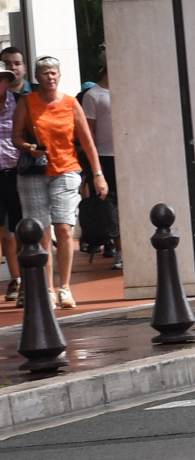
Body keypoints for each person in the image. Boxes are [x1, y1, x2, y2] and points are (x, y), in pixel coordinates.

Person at [11, 56, 108, 309]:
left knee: (64, 228)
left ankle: (65, 287)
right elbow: (16, 137)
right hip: (34, 173)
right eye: (44, 73)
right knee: (42, 233)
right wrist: (29, 147)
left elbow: (87, 142)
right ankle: (48, 288)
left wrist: (98, 174)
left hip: (66, 169)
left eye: (53, 72)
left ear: (59, 75)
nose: (49, 77)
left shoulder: (71, 103)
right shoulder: (26, 102)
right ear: (37, 77)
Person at [80, 54, 121, 269]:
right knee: (111, 207)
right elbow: (89, 133)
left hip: (130, 158)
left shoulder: (128, 90)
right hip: (105, 158)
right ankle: (120, 251)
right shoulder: (93, 95)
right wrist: (93, 168)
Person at [0, 64, 22, 303]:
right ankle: (15, 278)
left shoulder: (19, 102)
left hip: (16, 175)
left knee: (17, 231)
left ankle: (23, 279)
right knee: (4, 235)